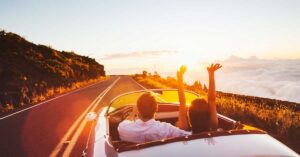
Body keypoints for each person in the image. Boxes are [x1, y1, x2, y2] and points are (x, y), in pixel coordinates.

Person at [118, 92, 190, 143]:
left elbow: (127, 121)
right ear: (156, 109)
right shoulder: (166, 129)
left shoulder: (123, 128)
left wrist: (133, 114)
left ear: (138, 110)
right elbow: (189, 135)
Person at [177, 64, 222, 134]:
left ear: (189, 116)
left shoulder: (185, 131)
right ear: (209, 115)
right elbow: (212, 100)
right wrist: (211, 73)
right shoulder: (213, 127)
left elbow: (182, 102)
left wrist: (180, 76)